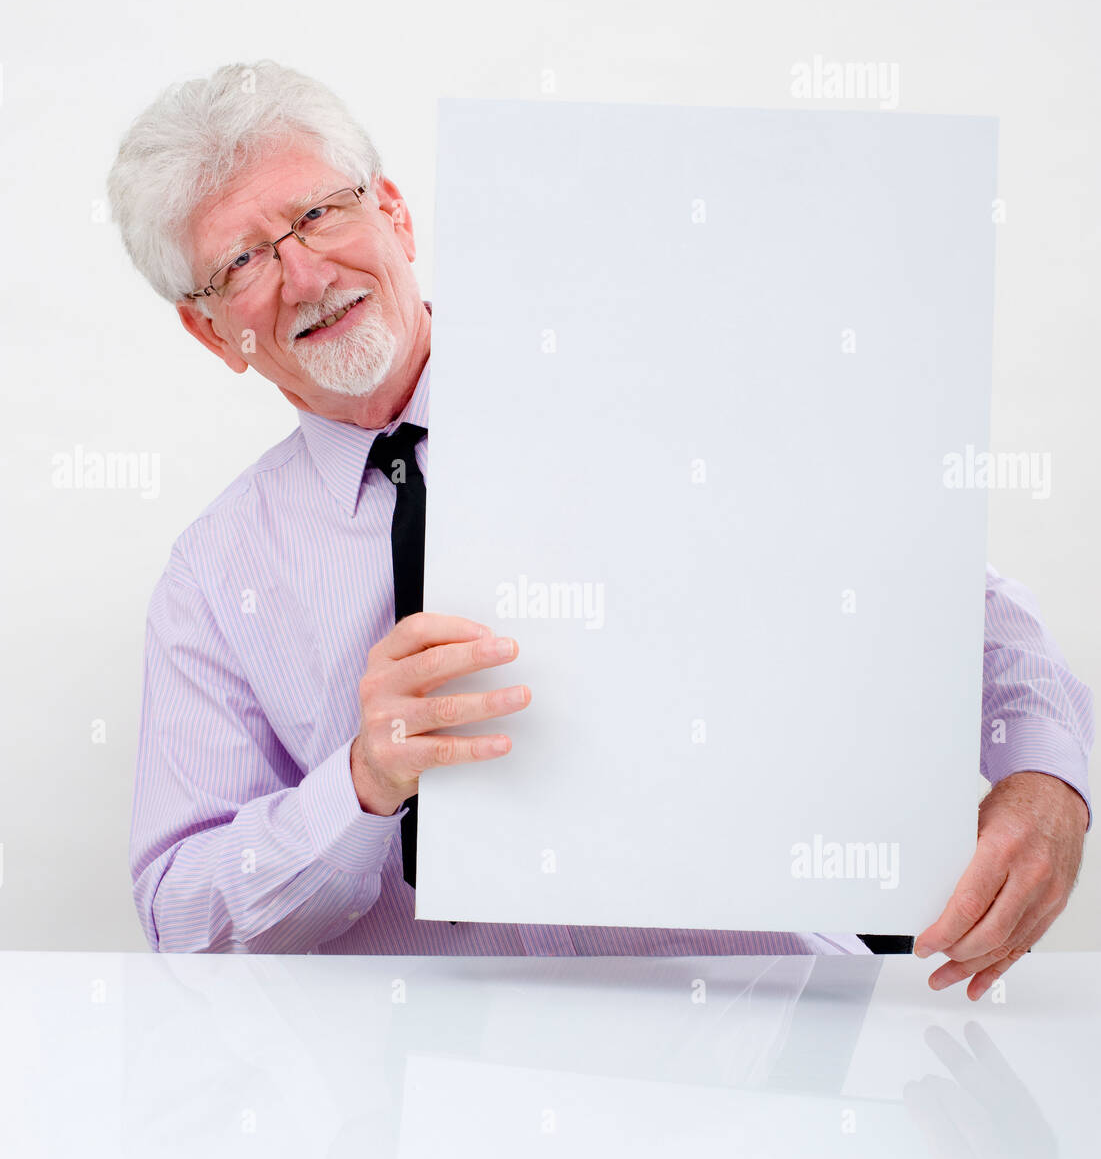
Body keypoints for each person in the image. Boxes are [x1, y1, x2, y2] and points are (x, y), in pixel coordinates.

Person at [108, 61, 1093, 995]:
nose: (303, 271)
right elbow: (183, 918)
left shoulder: (670, 393)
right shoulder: (213, 578)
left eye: (317, 213)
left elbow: (948, 602)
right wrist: (359, 783)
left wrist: (1048, 785)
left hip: (776, 1037)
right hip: (438, 1104)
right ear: (210, 332)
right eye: (242, 260)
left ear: (396, 215)